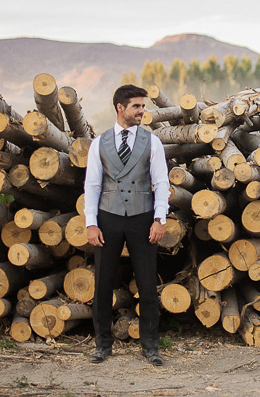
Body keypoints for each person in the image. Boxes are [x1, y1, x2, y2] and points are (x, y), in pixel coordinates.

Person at [83, 84, 170, 365]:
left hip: (142, 218)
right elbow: (93, 185)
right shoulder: (99, 142)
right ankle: (102, 345)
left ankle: (150, 346)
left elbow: (161, 183)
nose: (142, 111)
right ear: (120, 108)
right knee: (103, 283)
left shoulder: (152, 142)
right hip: (107, 218)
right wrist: (91, 224)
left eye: (143, 106)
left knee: (146, 284)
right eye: (136, 106)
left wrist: (160, 219)